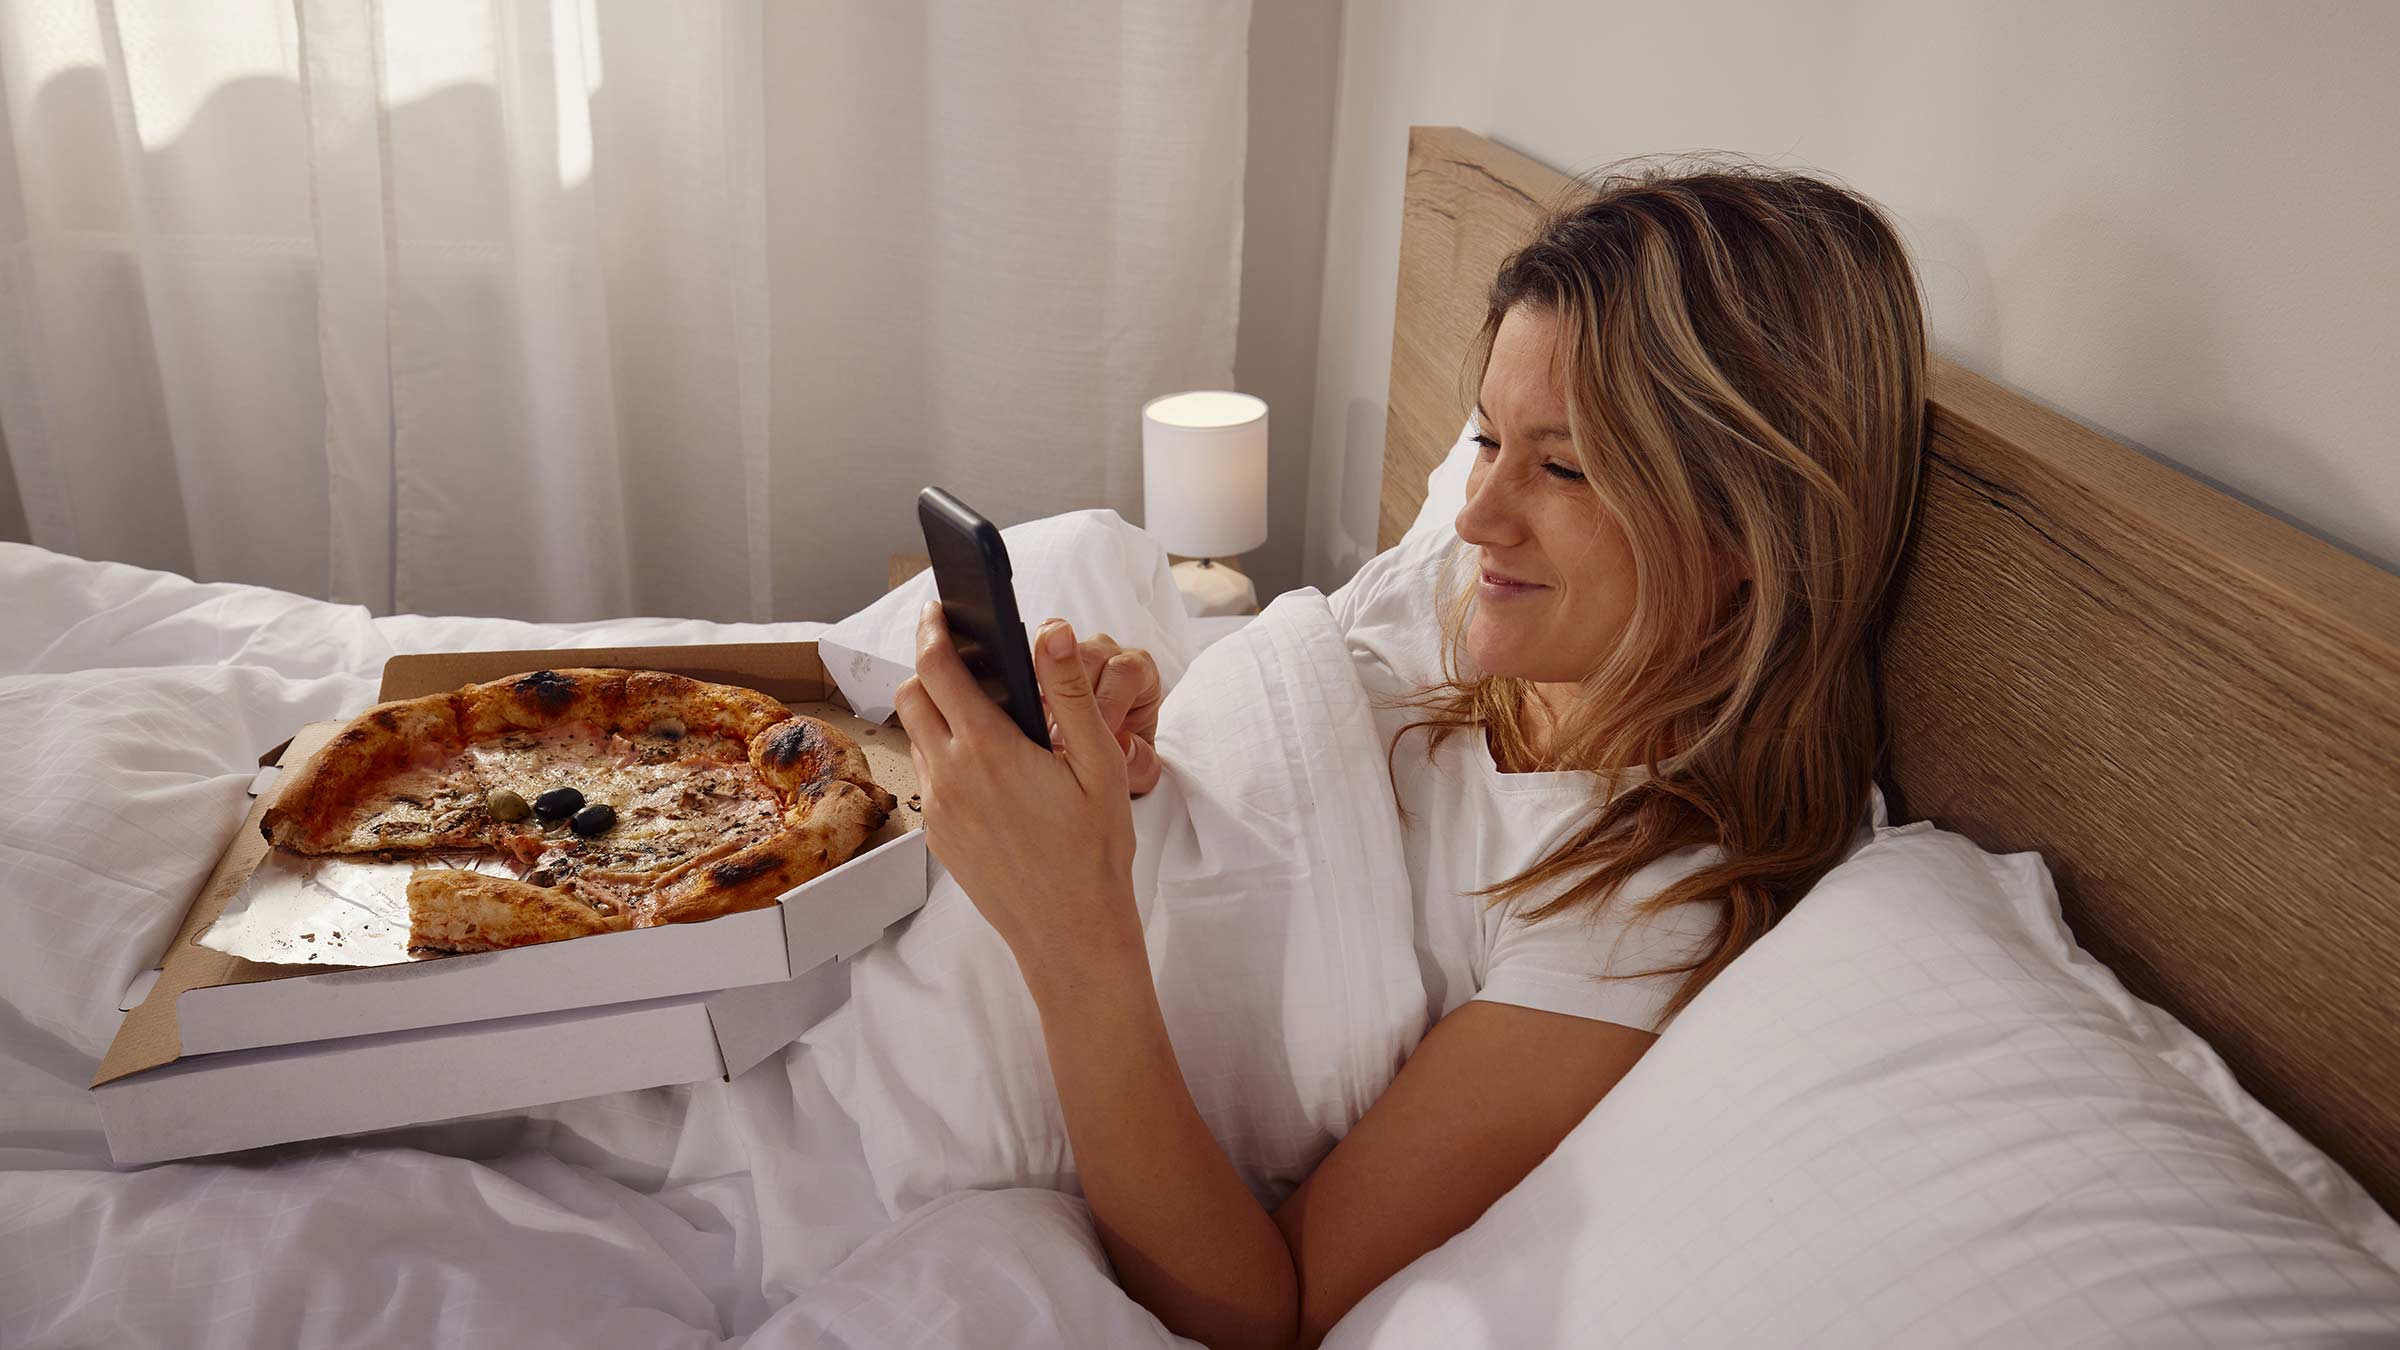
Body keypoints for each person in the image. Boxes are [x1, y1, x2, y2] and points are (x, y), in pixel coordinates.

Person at [893, 157, 1929, 1350]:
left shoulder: (1638, 907)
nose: (1479, 516)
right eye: (1486, 437)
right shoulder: (1458, 588)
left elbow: (1259, 1309)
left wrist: (1072, 918)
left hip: (952, 1049)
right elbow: (1271, 773)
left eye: (1567, 466)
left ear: (1753, 526)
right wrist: (1137, 739)